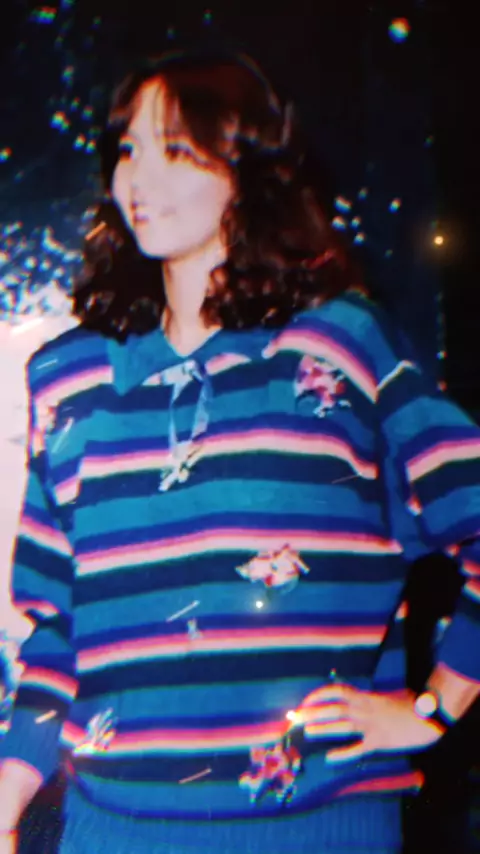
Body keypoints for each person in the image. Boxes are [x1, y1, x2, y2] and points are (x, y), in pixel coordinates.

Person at [1, 45, 480, 854]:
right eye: (128, 150)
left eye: (175, 150)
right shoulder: (70, 380)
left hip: (319, 829)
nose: (138, 179)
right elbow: (58, 628)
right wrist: (10, 790)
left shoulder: (343, 352)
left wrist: (432, 707)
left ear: (246, 170)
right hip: (110, 831)